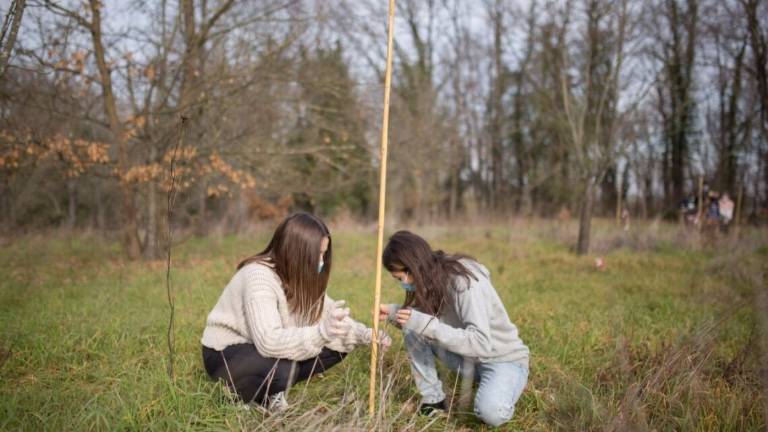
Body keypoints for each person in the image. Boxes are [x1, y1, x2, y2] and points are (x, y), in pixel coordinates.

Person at [201, 212, 390, 410]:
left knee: (338, 345)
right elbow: (268, 341)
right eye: (318, 254)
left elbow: (327, 314)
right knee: (285, 369)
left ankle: (267, 391)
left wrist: (367, 335)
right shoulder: (258, 277)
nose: (322, 260)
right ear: (297, 252)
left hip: (261, 351)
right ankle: (237, 395)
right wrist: (320, 333)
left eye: (324, 254)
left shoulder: (298, 276)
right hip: (226, 352)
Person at [378, 231, 529, 427]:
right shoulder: (431, 278)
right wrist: (392, 312)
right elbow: (427, 320)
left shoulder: (464, 284)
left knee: (491, 413)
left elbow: (481, 344)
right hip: (466, 361)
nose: (402, 284)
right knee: (413, 328)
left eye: (400, 278)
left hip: (501, 359)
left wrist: (424, 324)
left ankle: (511, 382)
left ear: (412, 267)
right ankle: (434, 401)